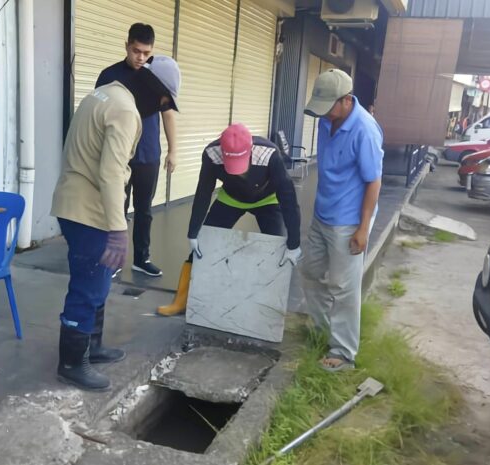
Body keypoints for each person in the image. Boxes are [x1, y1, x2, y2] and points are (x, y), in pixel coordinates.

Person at [51, 55, 181, 391]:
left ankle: (91, 348)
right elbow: (110, 172)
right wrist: (119, 229)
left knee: (99, 280)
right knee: (89, 285)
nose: (161, 109)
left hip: (76, 202)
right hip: (88, 211)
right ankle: (71, 362)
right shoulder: (125, 111)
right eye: (165, 102)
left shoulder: (105, 92)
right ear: (156, 91)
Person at [158, 123, 302, 316]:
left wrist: (294, 243)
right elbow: (203, 192)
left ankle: (270, 310)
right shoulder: (212, 154)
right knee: (202, 246)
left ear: (250, 151)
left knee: (277, 249)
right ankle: (182, 300)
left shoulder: (269, 154)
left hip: (267, 199)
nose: (239, 172)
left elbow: (289, 198)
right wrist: (193, 232)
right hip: (231, 198)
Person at [301, 69, 383, 372]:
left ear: (347, 100)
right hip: (323, 214)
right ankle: (323, 332)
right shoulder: (328, 120)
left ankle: (343, 353)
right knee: (310, 273)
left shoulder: (365, 130)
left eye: (329, 106)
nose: (324, 114)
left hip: (348, 220)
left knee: (343, 287)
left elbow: (374, 182)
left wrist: (363, 229)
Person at [95, 23, 178, 278]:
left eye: (146, 53)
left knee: (145, 210)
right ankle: (113, 259)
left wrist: (173, 150)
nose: (140, 57)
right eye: (135, 51)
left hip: (148, 155)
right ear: (127, 45)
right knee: (116, 207)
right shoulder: (109, 76)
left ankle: (141, 258)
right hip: (118, 155)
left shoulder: (155, 77)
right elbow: (96, 114)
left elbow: (168, 114)